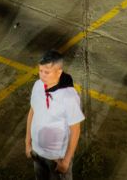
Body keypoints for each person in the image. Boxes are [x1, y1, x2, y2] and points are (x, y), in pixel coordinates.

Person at [27, 50, 83, 180]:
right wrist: (28, 142)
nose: (42, 76)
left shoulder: (69, 97)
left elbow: (75, 130)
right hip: (37, 153)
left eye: (47, 72)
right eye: (40, 71)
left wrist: (66, 161)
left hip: (57, 157)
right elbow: (32, 112)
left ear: (59, 72)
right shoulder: (38, 85)